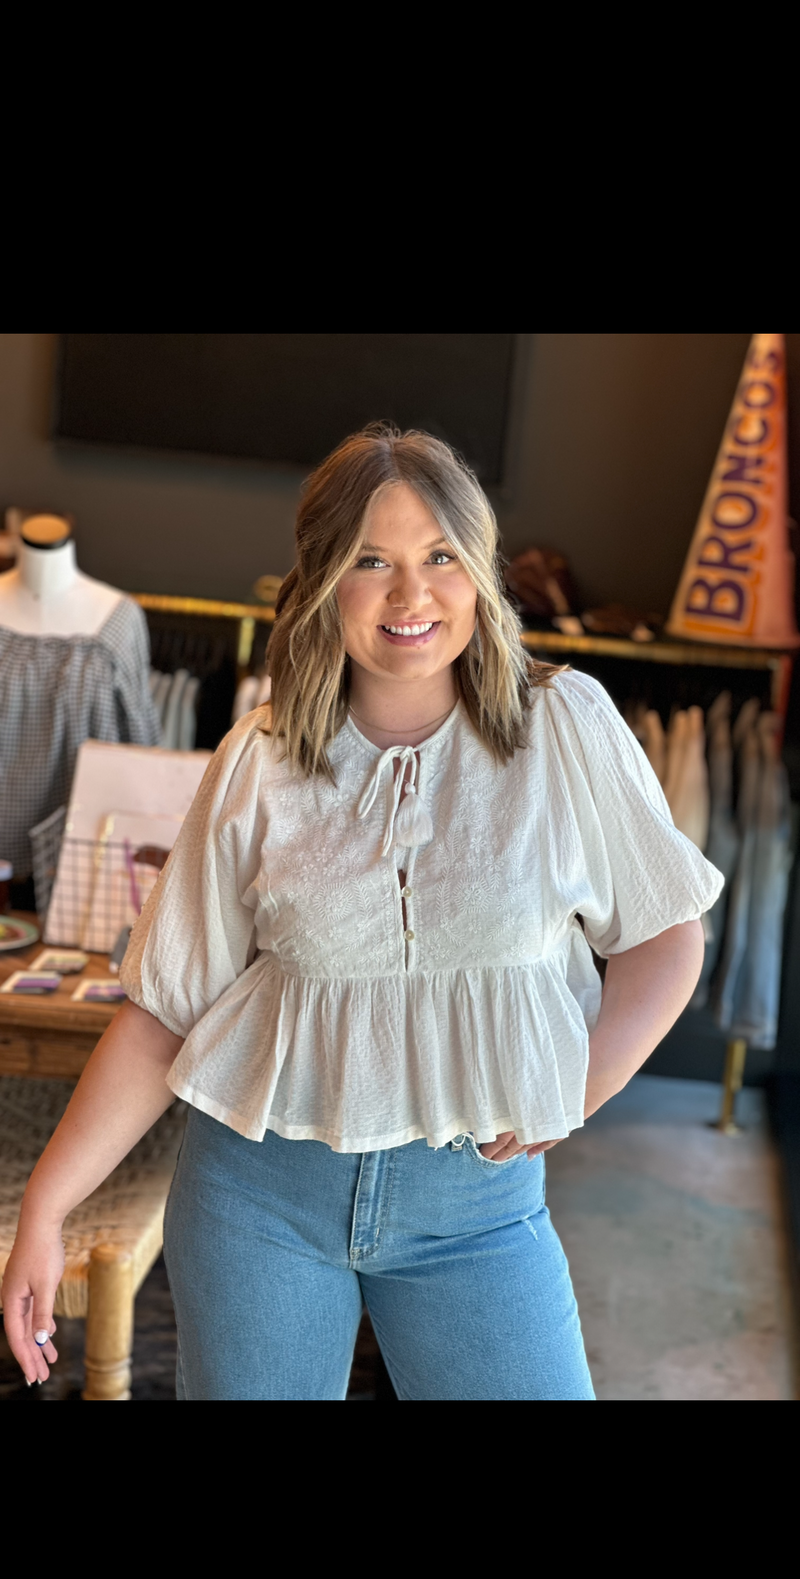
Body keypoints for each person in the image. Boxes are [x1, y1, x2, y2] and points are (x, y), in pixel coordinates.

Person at [1, 425, 724, 1400]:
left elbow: (666, 932)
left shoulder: (564, 728)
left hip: (476, 1208)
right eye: (369, 561)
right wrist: (45, 1207)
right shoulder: (257, 761)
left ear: (478, 570)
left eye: (439, 557)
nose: (410, 595)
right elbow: (165, 1008)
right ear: (320, 580)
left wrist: (580, 1087)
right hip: (258, 1203)